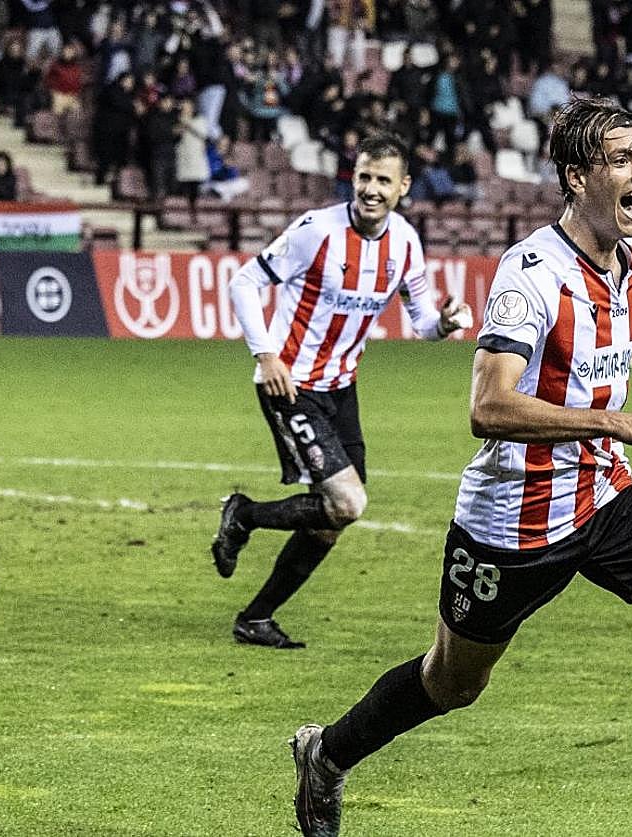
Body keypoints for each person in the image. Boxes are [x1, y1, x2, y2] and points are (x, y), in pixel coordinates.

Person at [286, 98, 632, 837]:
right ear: (576, 176)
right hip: (514, 514)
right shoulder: (529, 274)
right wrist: (619, 422)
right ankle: (327, 755)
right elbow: (488, 406)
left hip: (601, 491)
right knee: (452, 682)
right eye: (622, 159)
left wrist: (616, 431)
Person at [212, 132, 473, 649]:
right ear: (353, 178)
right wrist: (266, 355)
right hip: (291, 384)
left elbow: (420, 321)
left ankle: (256, 616)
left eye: (382, 181)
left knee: (331, 520)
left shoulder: (404, 242)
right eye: (363, 178)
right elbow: (244, 281)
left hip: (341, 389)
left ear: (403, 187)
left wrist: (443, 324)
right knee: (348, 501)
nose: (371, 189)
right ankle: (241, 513)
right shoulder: (315, 231)